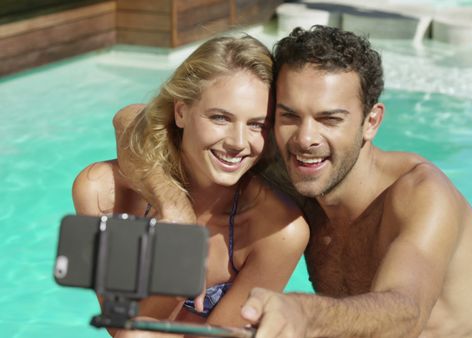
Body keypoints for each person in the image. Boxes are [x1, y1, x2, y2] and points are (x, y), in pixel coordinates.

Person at [115, 26, 472, 338]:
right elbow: (132, 120)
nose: (306, 138)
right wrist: (172, 205)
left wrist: (302, 312)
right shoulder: (295, 167)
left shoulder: (420, 195)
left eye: (330, 119)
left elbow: (408, 311)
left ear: (371, 122)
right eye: (289, 115)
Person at [72, 35, 309, 337]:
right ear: (181, 112)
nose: (238, 143)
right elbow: (126, 329)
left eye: (256, 125)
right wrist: (175, 215)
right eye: (220, 118)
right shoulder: (104, 194)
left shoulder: (277, 231)